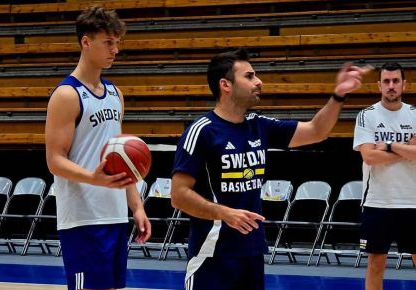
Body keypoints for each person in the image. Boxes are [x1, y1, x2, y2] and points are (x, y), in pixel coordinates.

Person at [170, 48, 372, 290]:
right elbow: (178, 195)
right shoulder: (201, 132)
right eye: (249, 76)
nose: (259, 82)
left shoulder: (259, 125)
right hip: (212, 253)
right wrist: (225, 213)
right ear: (225, 85)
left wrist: (338, 95)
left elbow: (316, 131)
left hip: (252, 251)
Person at [45, 7, 151, 290]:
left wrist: (137, 207)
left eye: (117, 43)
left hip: (115, 216)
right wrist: (94, 178)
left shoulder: (116, 94)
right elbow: (54, 160)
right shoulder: (67, 94)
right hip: (83, 219)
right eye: (108, 42)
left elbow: (122, 160)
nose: (115, 50)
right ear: (86, 42)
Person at [353, 62, 416, 290]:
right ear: (379, 85)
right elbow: (369, 157)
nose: (391, 86)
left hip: (412, 201)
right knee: (376, 263)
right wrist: (406, 150)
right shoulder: (366, 116)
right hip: (377, 201)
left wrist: (388, 145)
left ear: (404, 84)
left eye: (396, 81)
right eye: (387, 81)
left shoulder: (415, 115)